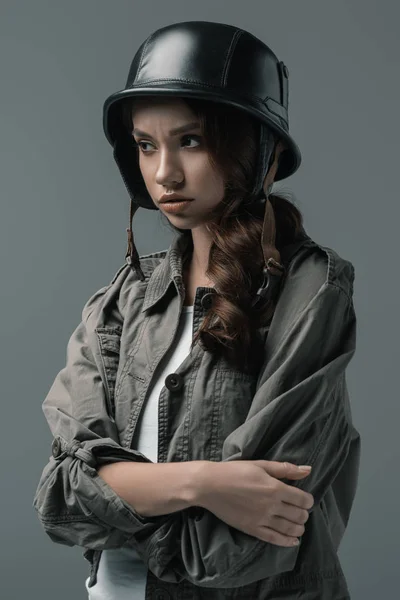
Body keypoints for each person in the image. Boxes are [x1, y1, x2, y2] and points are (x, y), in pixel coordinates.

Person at [33, 20, 361, 600]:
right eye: (145, 145)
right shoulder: (122, 300)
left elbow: (238, 548)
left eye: (191, 140)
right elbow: (58, 494)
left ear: (263, 151)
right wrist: (204, 482)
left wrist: (119, 498)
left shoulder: (310, 291)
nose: (164, 173)